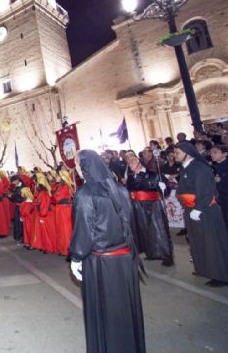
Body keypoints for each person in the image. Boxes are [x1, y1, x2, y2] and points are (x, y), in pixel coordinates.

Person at [69, 150, 146, 353]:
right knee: (124, 309)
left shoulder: (85, 194)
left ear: (84, 166)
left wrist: (76, 256)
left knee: (106, 310)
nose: (76, 167)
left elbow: (85, 230)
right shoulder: (119, 188)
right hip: (125, 258)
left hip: (101, 261)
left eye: (77, 164)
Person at [175, 142, 228, 287]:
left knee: (212, 243)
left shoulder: (200, 168)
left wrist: (198, 208)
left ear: (186, 153)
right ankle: (205, 268)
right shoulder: (186, 168)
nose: (175, 155)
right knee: (198, 242)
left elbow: (207, 191)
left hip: (204, 210)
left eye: (177, 152)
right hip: (192, 209)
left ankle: (221, 275)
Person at [126, 156, 174, 266]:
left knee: (159, 229)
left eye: (132, 161)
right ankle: (152, 252)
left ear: (139, 162)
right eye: (128, 162)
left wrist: (164, 188)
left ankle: (167, 255)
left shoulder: (153, 174)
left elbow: (166, 191)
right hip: (137, 207)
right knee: (144, 230)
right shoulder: (130, 177)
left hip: (153, 206)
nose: (129, 164)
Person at [211, 145, 228, 256]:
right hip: (222, 202)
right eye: (211, 152)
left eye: (215, 152)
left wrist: (220, 181)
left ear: (225, 154)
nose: (212, 154)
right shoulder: (214, 167)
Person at [53, 169, 74, 256]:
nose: (56, 177)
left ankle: (67, 250)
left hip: (64, 210)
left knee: (66, 230)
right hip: (60, 209)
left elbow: (56, 197)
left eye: (57, 175)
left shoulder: (65, 186)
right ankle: (62, 249)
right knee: (60, 229)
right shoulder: (60, 186)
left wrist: (54, 195)